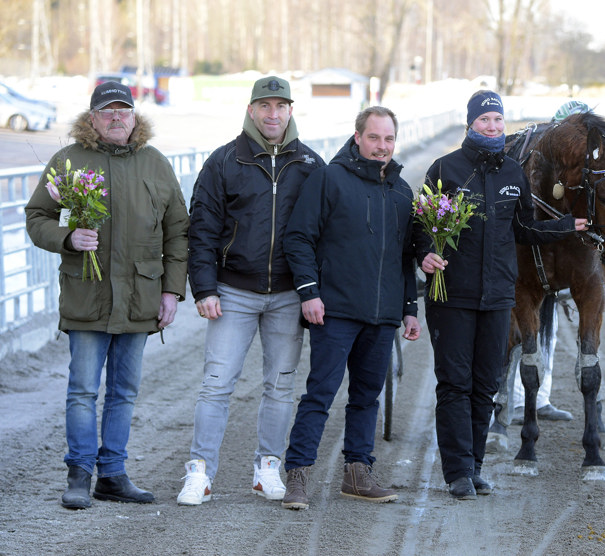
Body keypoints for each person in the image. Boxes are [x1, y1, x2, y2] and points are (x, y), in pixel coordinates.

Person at [25, 81, 189, 509]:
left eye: (124, 110)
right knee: (82, 390)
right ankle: (79, 474)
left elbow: (178, 231)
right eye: (108, 110)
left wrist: (172, 291)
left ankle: (112, 475)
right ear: (93, 118)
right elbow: (37, 217)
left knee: (124, 391)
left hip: (139, 296)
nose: (117, 117)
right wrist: (67, 237)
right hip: (87, 295)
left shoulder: (155, 163)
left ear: (134, 116)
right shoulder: (68, 161)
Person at [417, 90, 588, 500]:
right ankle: (457, 472)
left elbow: (524, 229)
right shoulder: (445, 168)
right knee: (454, 385)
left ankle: (474, 468)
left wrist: (566, 226)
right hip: (452, 297)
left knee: (485, 384)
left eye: (497, 119)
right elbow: (421, 224)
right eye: (484, 120)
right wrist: (425, 253)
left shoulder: (512, 172)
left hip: (497, 298)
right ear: (470, 123)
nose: (492, 126)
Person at [177, 76, 325, 506]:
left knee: (280, 386)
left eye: (280, 106)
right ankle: (200, 473)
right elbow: (202, 229)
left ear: (291, 111)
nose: (272, 114)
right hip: (233, 291)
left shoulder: (311, 164)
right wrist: (204, 288)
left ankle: (267, 468)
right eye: (265, 106)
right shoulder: (224, 161)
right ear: (251, 110)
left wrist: (312, 290)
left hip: (287, 294)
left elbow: (323, 233)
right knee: (216, 383)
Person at [280, 106, 421, 510]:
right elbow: (298, 238)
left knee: (366, 397)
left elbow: (404, 257)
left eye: (389, 139)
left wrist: (409, 308)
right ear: (357, 137)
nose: (382, 146)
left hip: (382, 315)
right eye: (374, 137)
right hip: (335, 310)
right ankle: (298, 476)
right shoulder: (329, 179)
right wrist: (309, 292)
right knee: (320, 394)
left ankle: (357, 474)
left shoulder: (402, 192)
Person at [506, 99, 594, 425]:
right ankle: (511, 401)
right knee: (519, 330)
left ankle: (540, 400)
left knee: (550, 329)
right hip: (527, 247)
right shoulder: (536, 158)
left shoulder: (588, 163)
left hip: (565, 250)